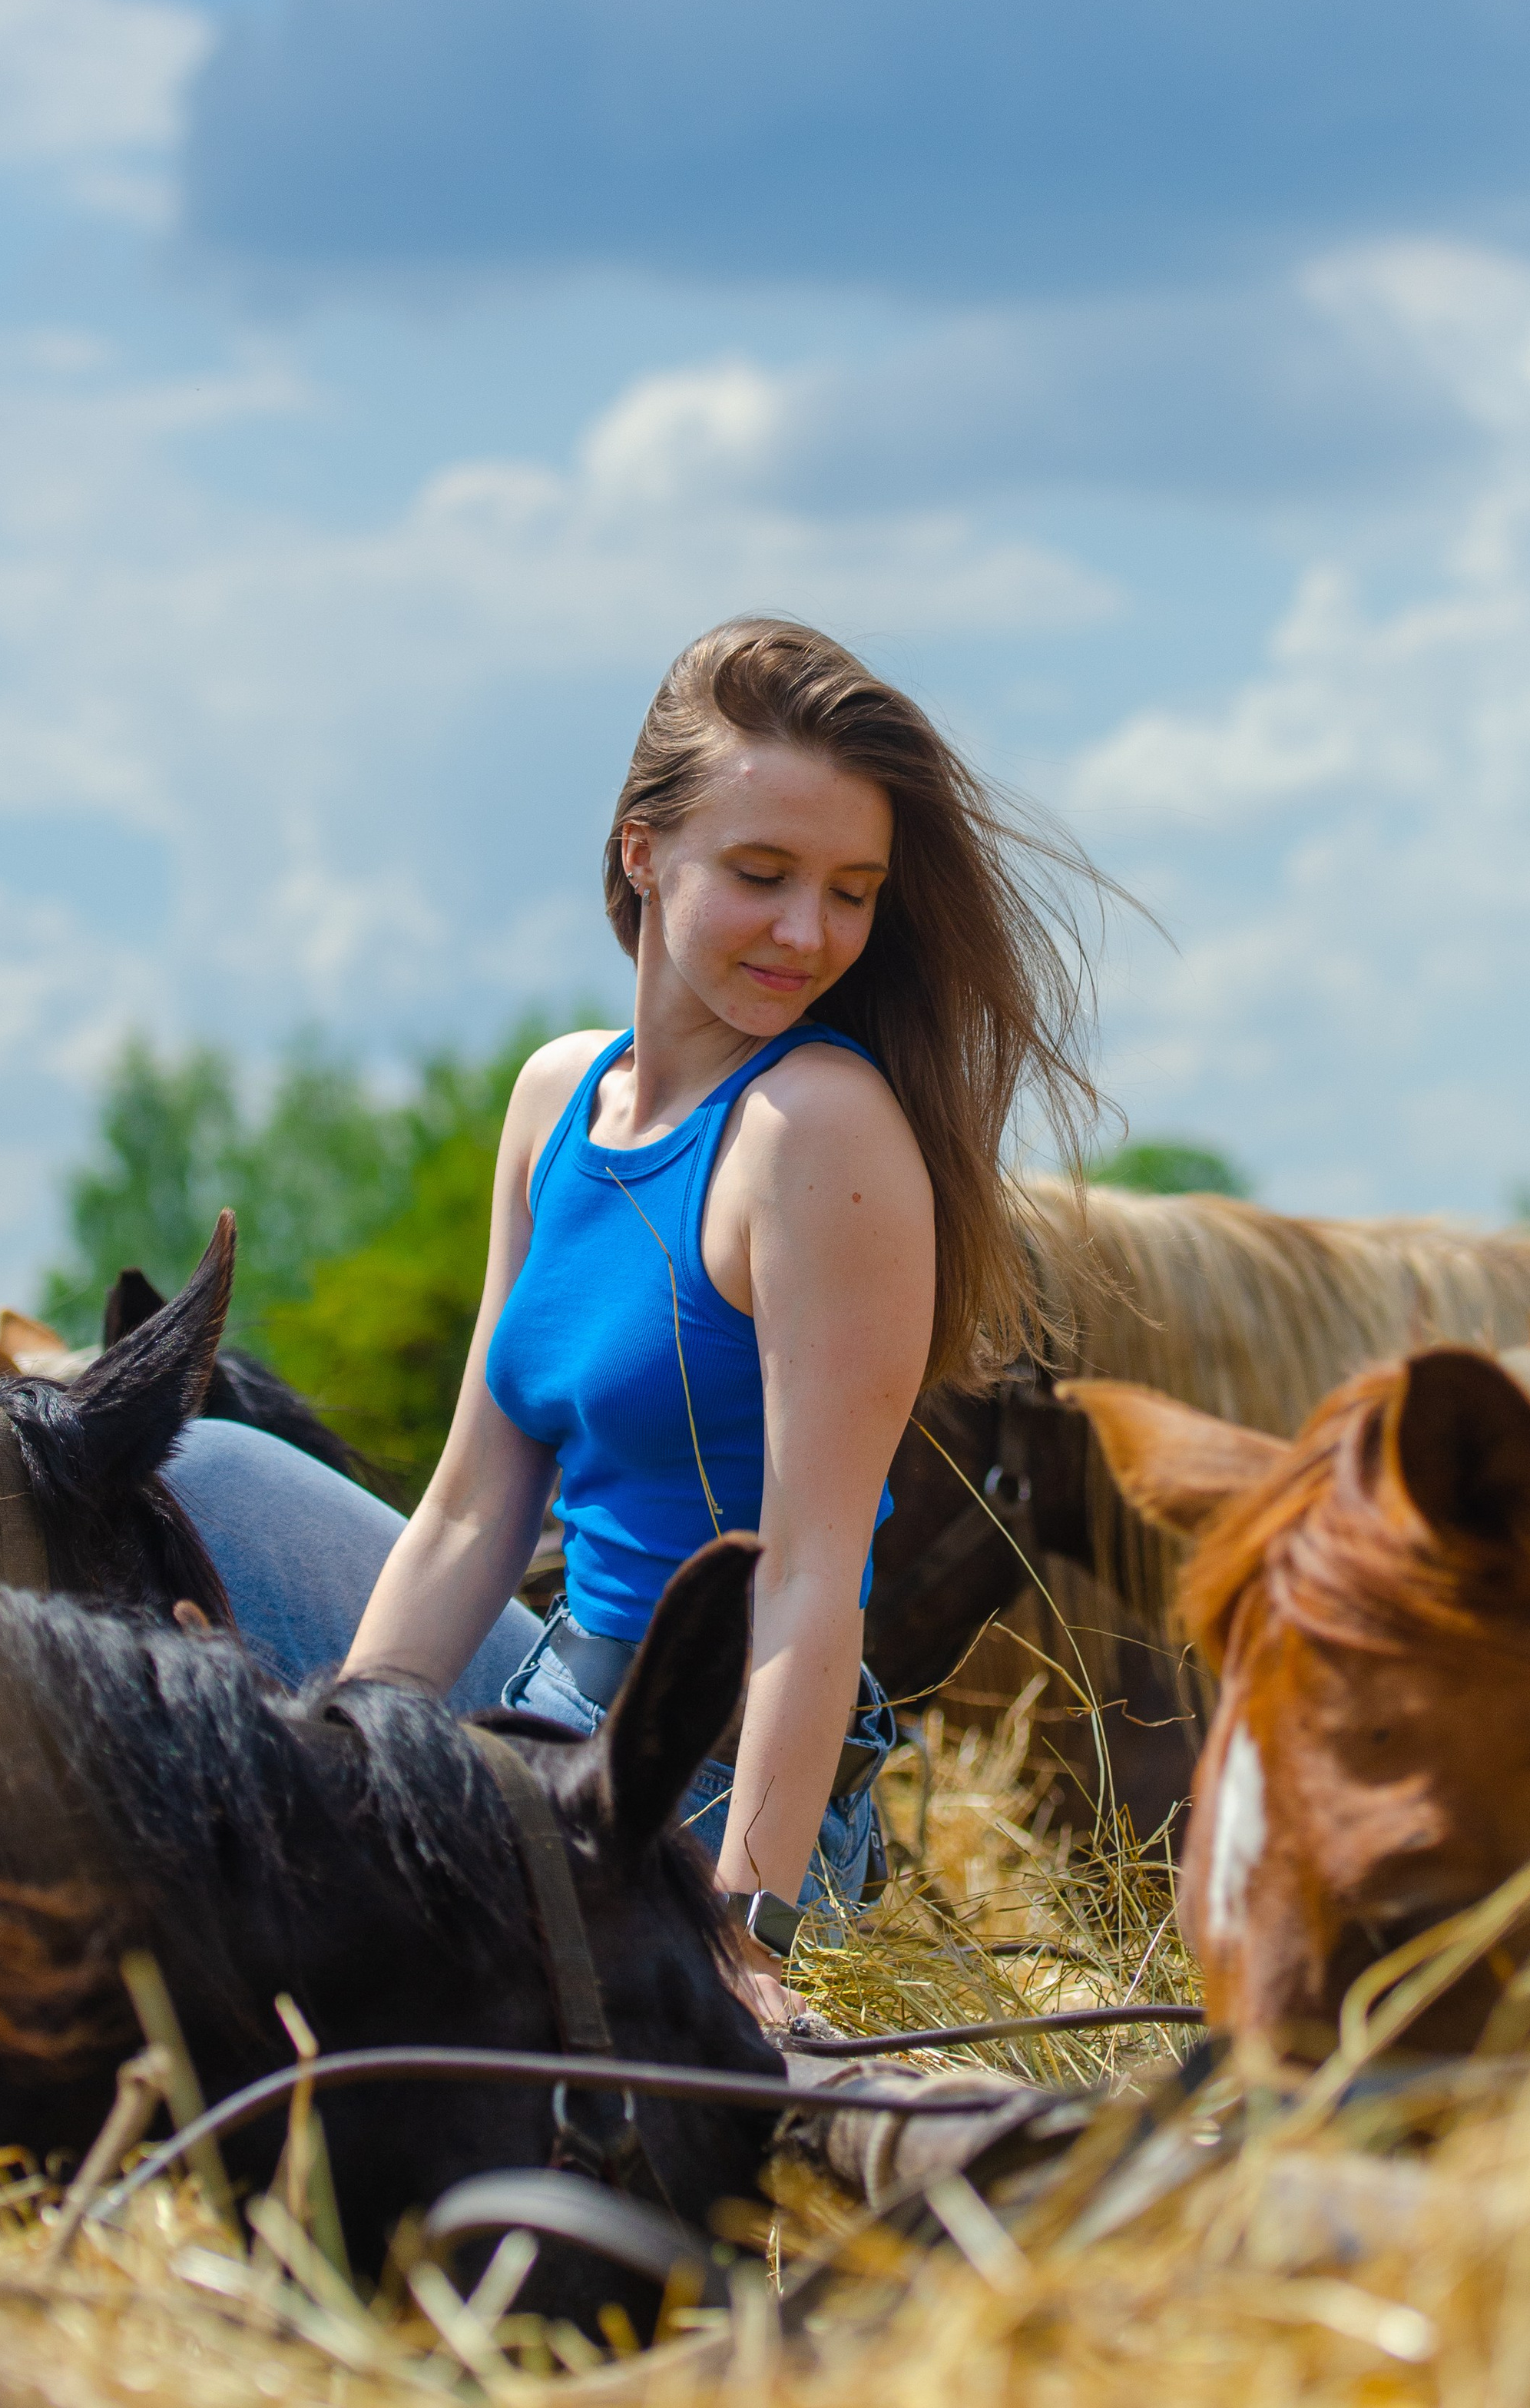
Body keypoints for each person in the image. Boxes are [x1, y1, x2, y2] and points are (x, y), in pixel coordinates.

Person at [338, 616, 1103, 2023]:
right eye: (764, 875)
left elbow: (813, 1572)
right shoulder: (554, 1097)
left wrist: (748, 1918)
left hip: (707, 1759)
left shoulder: (821, 1131)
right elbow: (466, 1510)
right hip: (552, 1683)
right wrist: (346, 1756)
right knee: (208, 1476)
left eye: (852, 890)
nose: (810, 932)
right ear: (643, 850)